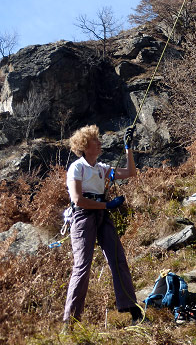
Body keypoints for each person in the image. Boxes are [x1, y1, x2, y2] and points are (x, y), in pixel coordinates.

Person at [63, 124, 143, 327]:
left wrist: (128, 149)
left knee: (118, 259)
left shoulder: (101, 169)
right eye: (95, 141)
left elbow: (131, 172)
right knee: (82, 266)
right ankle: (70, 322)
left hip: (101, 215)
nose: (99, 143)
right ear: (84, 145)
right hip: (82, 217)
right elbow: (78, 199)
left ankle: (133, 310)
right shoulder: (77, 167)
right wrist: (106, 204)